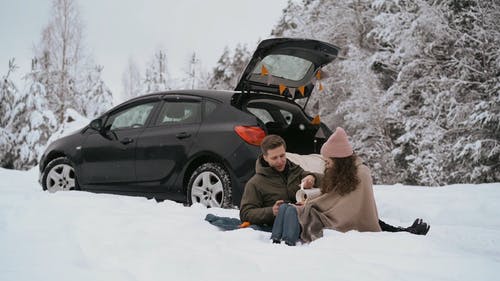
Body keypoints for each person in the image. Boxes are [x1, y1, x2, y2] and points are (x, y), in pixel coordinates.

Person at [239, 132, 429, 245]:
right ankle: (402, 233)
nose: (281, 161)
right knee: (343, 215)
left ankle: (402, 232)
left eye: (282, 155)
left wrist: (312, 178)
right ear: (265, 158)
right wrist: (270, 211)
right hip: (293, 218)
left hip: (308, 210)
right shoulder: (256, 183)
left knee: (360, 215)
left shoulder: (295, 170)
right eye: (275, 158)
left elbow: (329, 183)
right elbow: (246, 213)